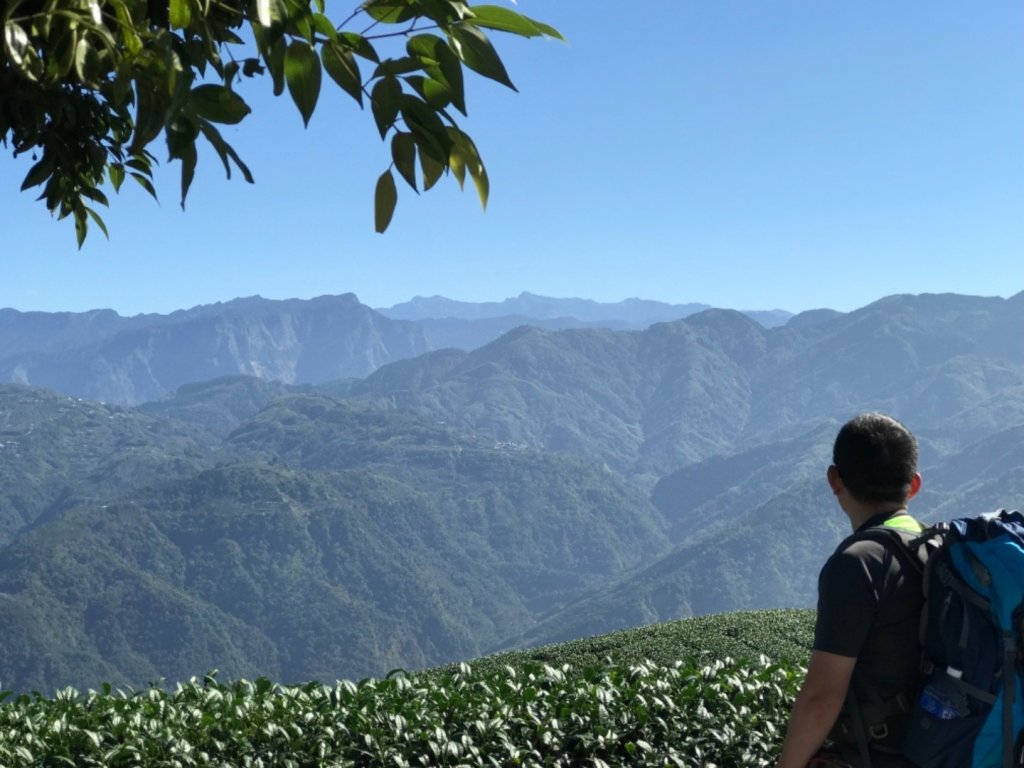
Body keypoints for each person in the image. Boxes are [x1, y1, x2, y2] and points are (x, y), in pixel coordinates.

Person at [777, 413, 925, 768]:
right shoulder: (940, 547)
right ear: (914, 484)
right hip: (945, 748)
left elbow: (822, 698)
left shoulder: (857, 563)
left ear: (834, 480)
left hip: (877, 756)